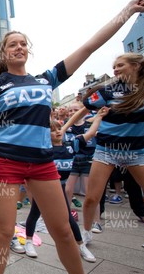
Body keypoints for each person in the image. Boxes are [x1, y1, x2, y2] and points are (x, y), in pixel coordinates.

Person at [0, 0, 144, 274]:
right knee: (3, 232)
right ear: (4, 54)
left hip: (43, 164)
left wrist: (127, 13)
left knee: (62, 231)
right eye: (11, 44)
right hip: (4, 163)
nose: (18, 47)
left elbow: (90, 45)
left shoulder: (47, 79)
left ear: (28, 50)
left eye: (22, 43)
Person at [79, 53, 144, 267]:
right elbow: (87, 101)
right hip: (107, 150)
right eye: (113, 66)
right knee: (92, 198)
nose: (115, 69)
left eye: (119, 66)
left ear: (136, 66)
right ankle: (86, 234)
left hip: (138, 152)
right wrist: (107, 84)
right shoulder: (109, 91)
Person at [23, 110, 109, 262]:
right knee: (35, 213)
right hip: (43, 187)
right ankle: (28, 242)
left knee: (68, 217)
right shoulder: (42, 150)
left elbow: (90, 133)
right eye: (53, 130)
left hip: (60, 187)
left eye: (59, 129)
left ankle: (81, 246)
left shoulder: (72, 145)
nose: (57, 132)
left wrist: (99, 118)